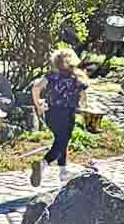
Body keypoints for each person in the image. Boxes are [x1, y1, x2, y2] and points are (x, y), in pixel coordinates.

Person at [29, 46, 90, 186]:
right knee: (62, 142)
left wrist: (38, 104)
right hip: (67, 115)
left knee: (60, 141)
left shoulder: (51, 75)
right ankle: (43, 164)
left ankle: (63, 172)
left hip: (51, 114)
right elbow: (83, 96)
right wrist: (82, 108)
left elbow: (36, 87)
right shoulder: (76, 77)